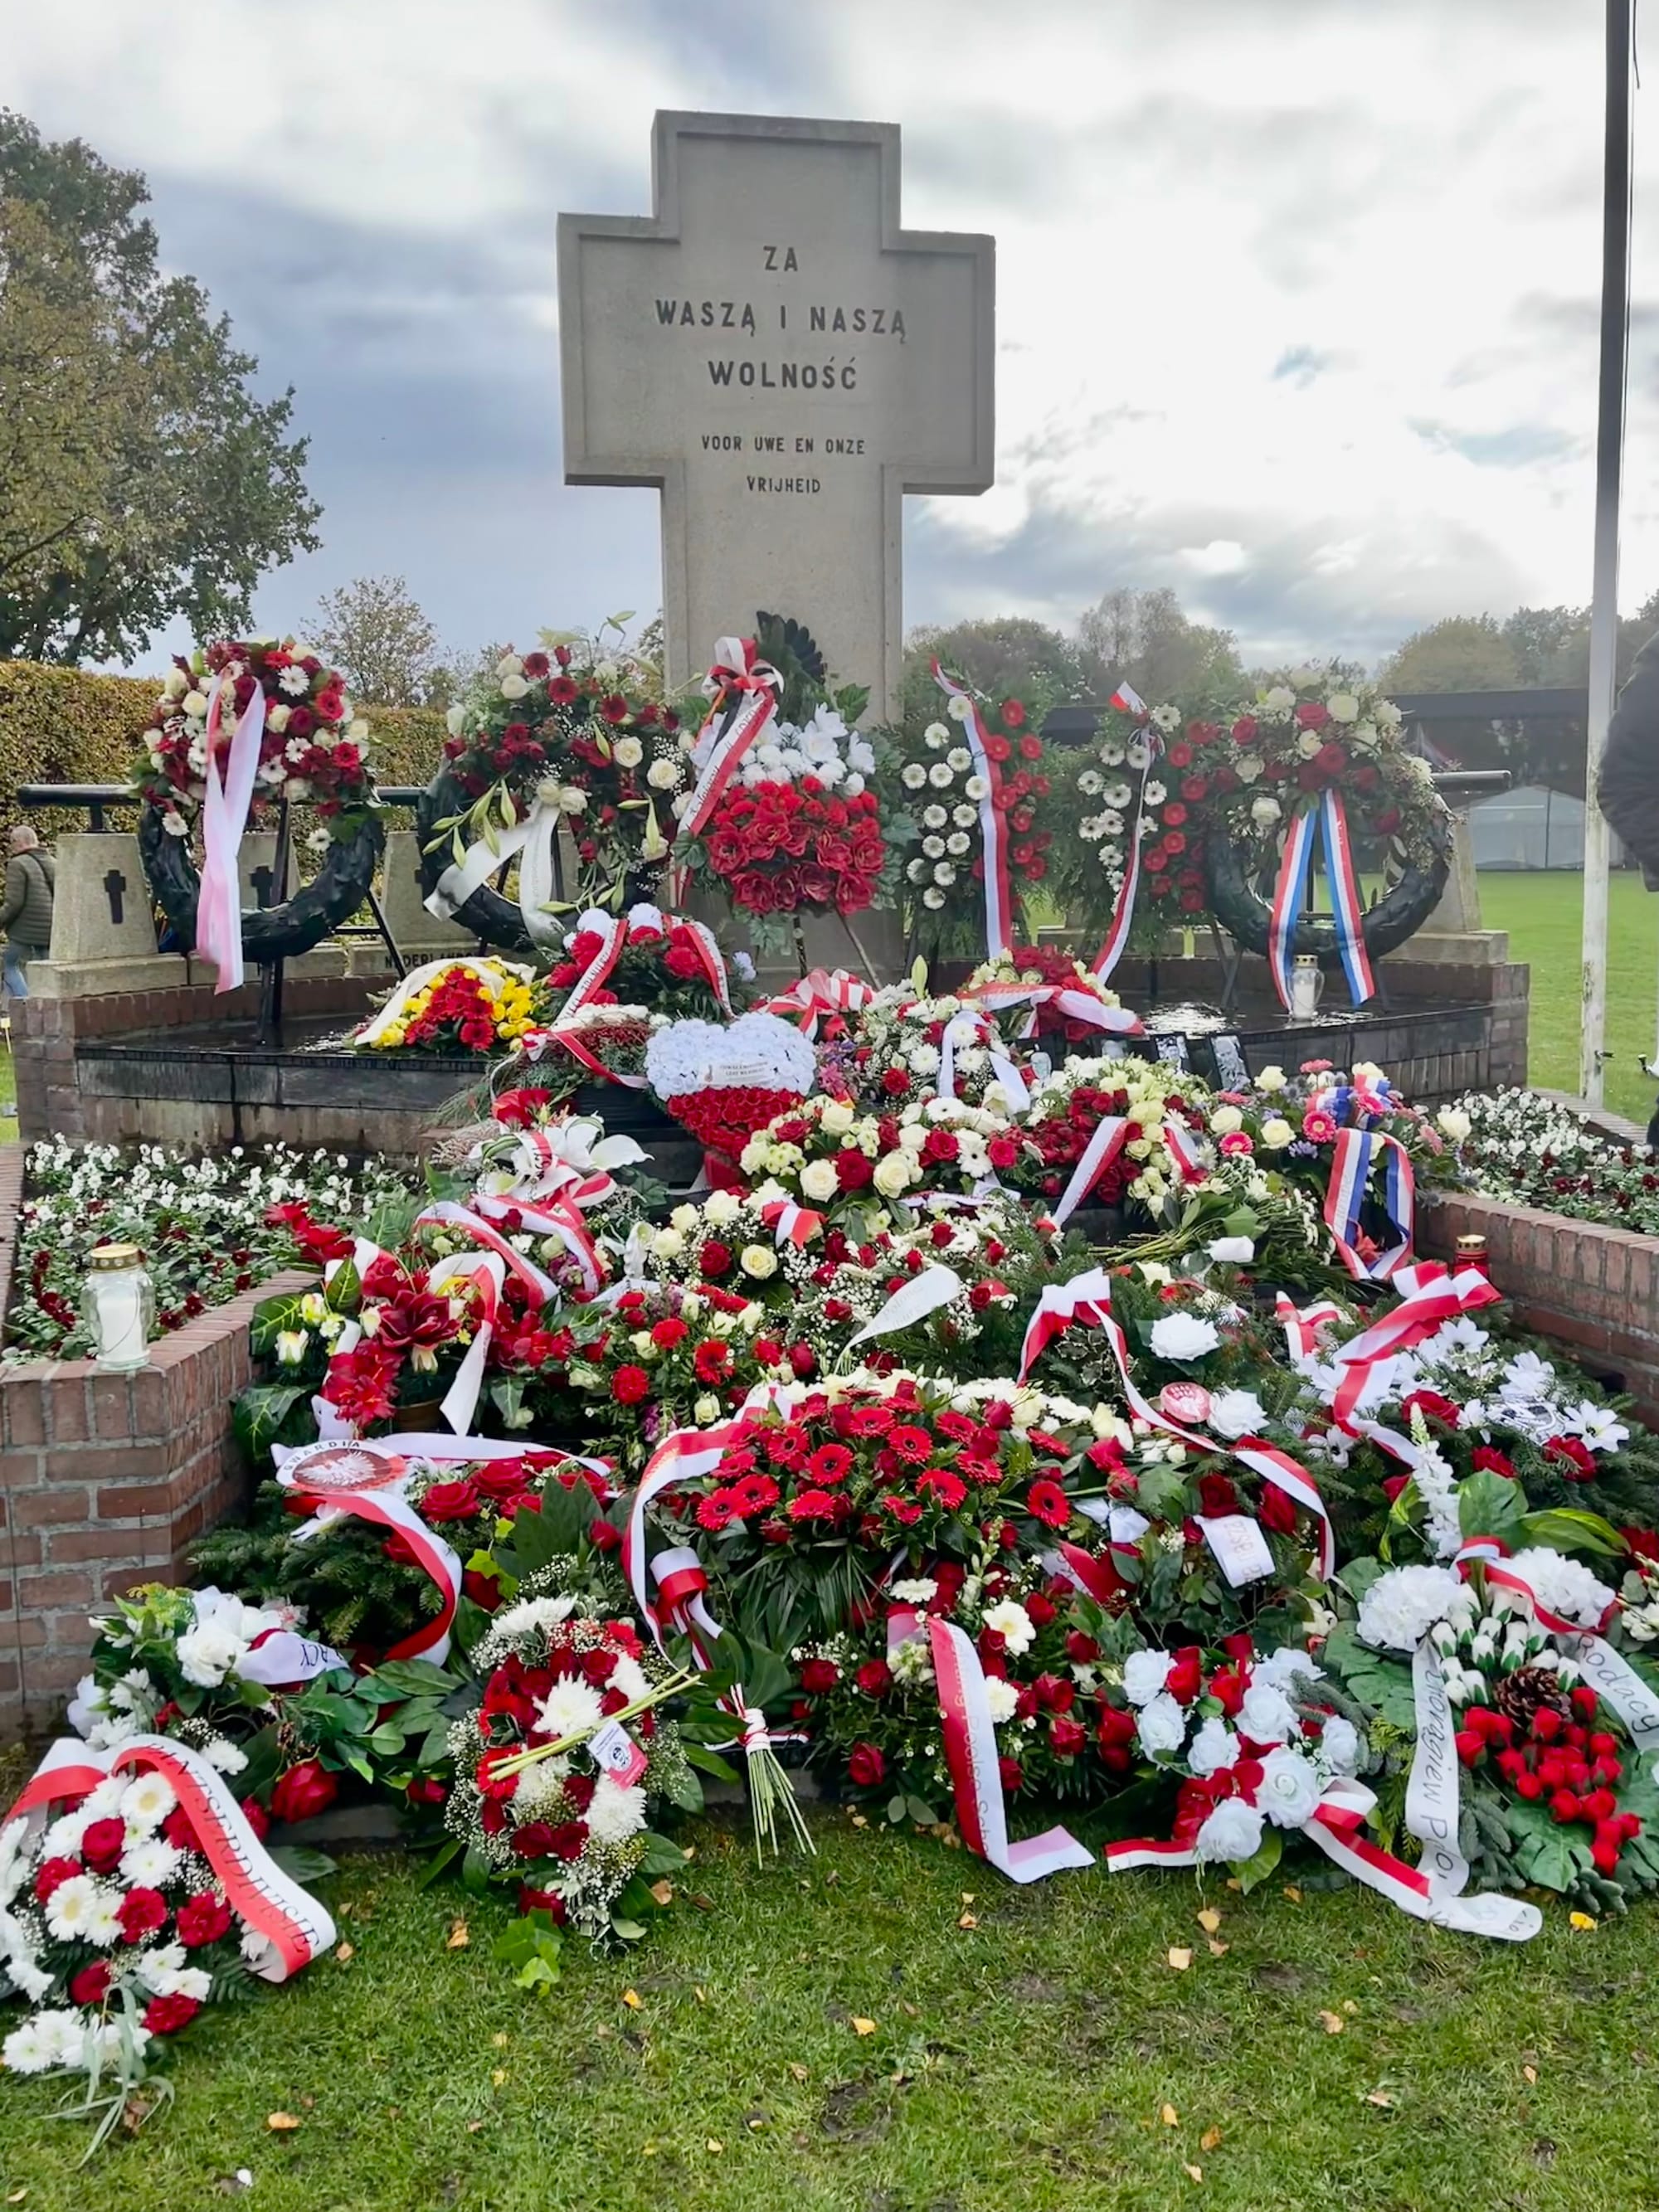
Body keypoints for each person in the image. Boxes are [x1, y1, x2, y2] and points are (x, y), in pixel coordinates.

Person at [0, 825, 55, 999]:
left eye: (12, 843)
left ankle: (24, 1004)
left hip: (25, 932)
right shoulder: (53, 861)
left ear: (18, 842)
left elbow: (14, 903)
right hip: (51, 929)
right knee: (44, 972)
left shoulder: (18, 864)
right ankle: (44, 1007)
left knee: (10, 964)